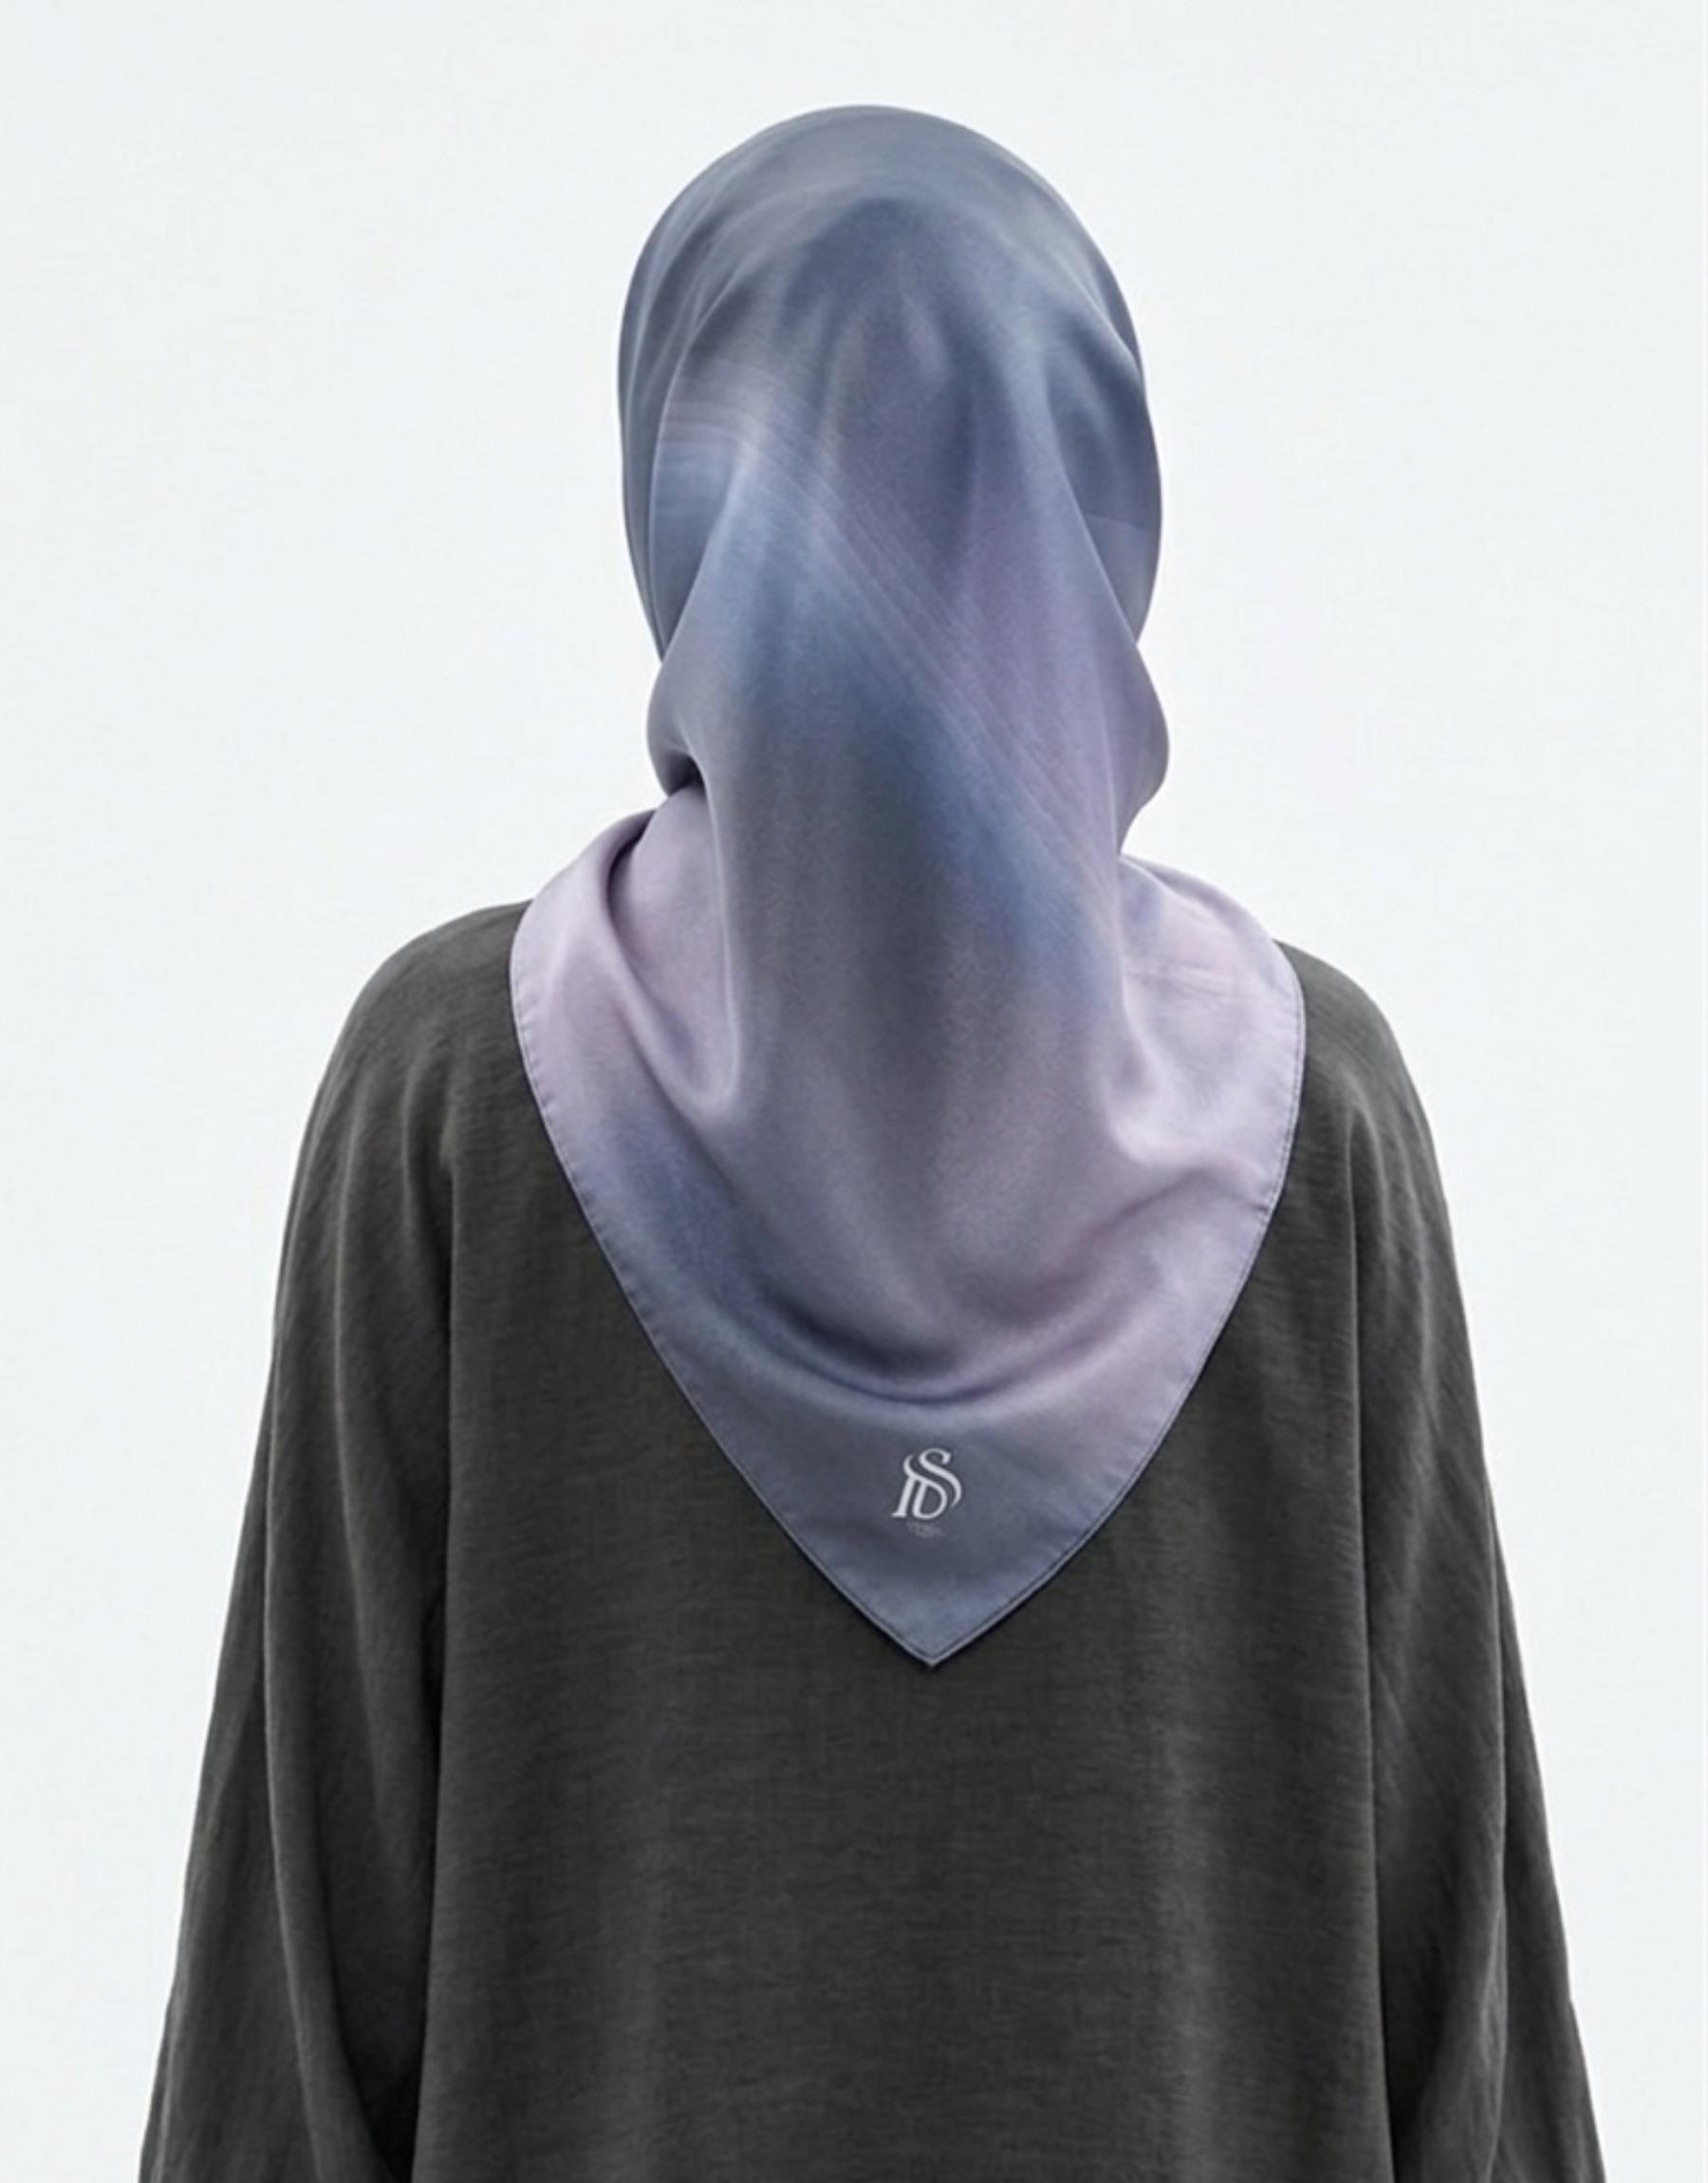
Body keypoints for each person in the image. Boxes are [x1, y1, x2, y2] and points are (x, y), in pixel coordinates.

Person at [139, 102, 1606, 2182]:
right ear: (1103, 508)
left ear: (683, 497)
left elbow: (307, 1962)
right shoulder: (1312, 1114)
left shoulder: (455, 1088)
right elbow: (1462, 2000)